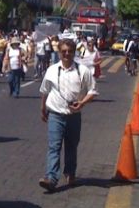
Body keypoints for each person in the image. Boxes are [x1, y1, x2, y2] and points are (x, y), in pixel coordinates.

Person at [38, 39, 98, 192]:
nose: (66, 54)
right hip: (55, 115)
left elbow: (93, 91)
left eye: (69, 51)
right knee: (54, 146)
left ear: (74, 53)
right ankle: (51, 178)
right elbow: (44, 91)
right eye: (63, 51)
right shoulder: (52, 70)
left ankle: (70, 173)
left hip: (74, 116)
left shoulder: (82, 70)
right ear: (59, 52)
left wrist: (82, 103)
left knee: (71, 146)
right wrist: (42, 109)